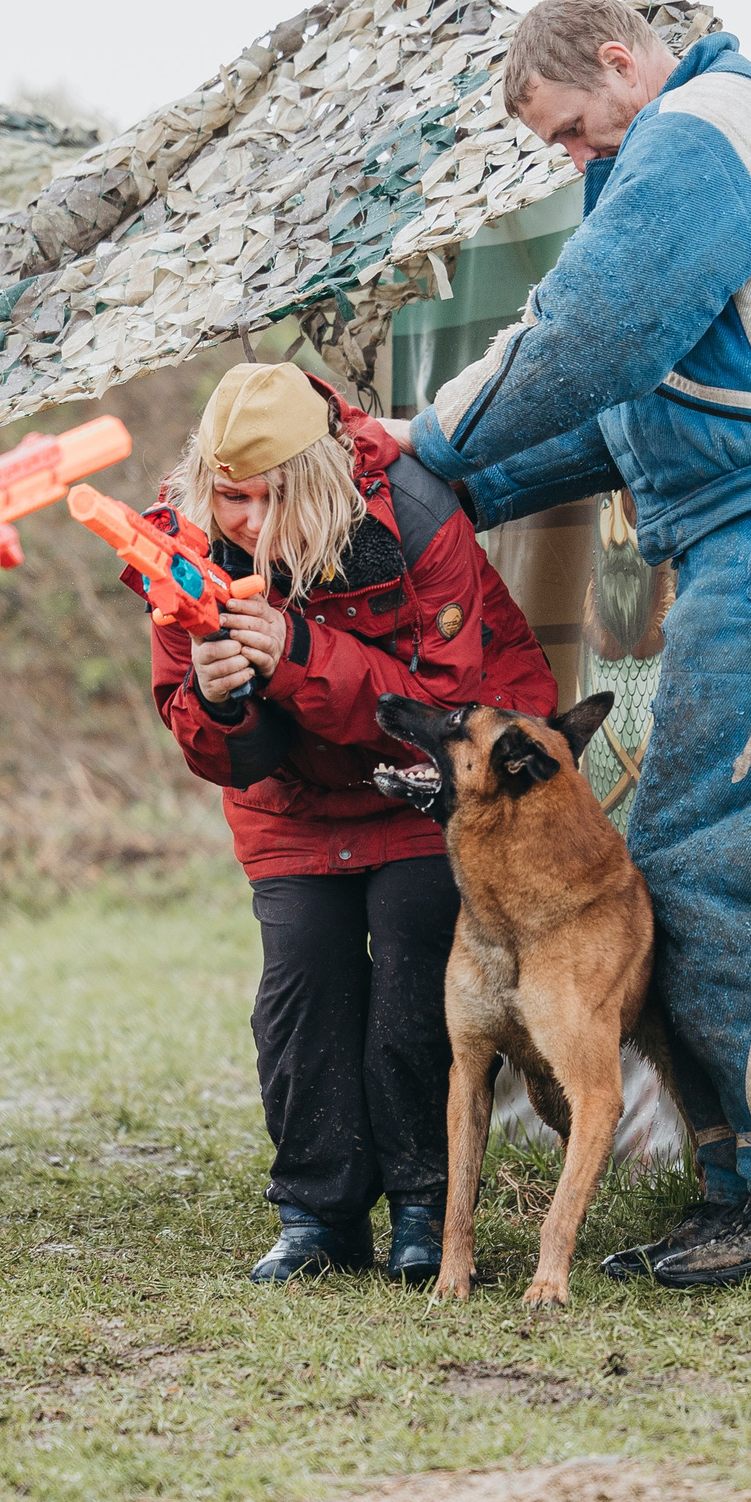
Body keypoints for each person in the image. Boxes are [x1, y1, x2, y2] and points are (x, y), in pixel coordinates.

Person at [384, 0, 751, 1287]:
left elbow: (592, 332)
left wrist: (428, 444)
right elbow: (618, 416)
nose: (581, 162)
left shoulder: (705, 128)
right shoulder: (693, 169)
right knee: (710, 859)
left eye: (578, 131)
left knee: (711, 862)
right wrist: (453, 489)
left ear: (623, 62)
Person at [150, 361, 555, 1284]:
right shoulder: (179, 541)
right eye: (224, 497)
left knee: (415, 963)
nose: (238, 522)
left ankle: (424, 1204)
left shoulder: (413, 517)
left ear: (312, 481)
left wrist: (296, 657)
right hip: (292, 797)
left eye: (259, 500)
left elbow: (446, 715)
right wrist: (221, 706)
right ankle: (318, 1217)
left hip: (429, 777)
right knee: (300, 983)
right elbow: (208, 742)